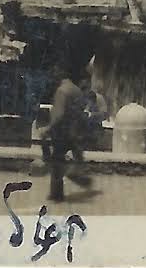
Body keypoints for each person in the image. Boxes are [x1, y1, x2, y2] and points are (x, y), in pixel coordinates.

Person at [45, 60, 95, 202]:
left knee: (56, 163)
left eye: (53, 73)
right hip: (74, 132)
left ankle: (57, 194)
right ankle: (77, 175)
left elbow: (59, 114)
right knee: (71, 159)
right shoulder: (76, 90)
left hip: (61, 132)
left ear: (59, 74)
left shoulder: (62, 91)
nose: (52, 76)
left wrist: (47, 128)